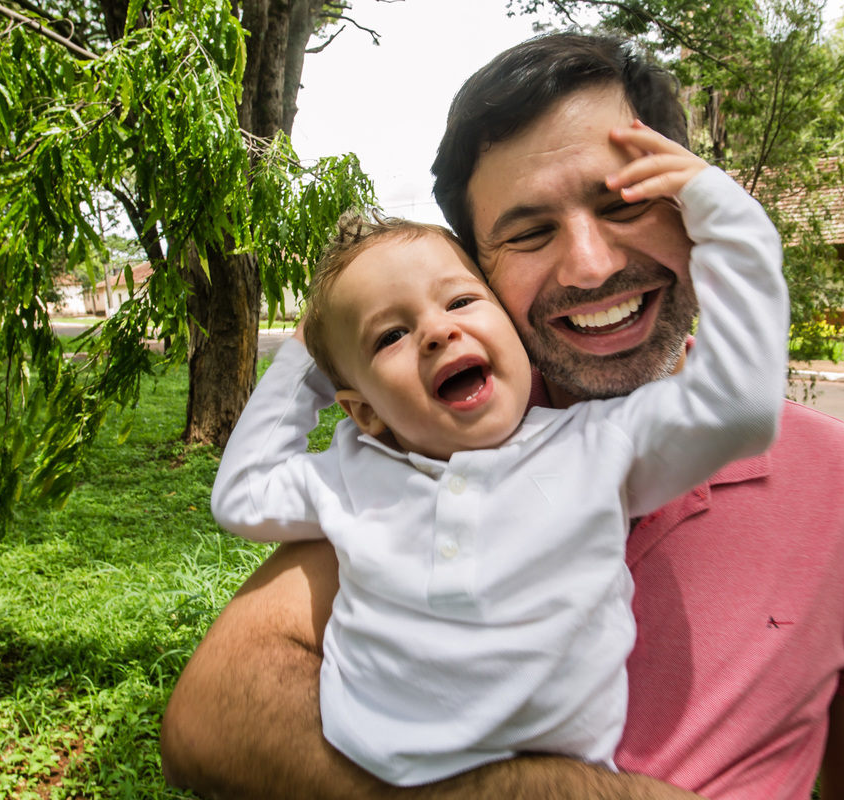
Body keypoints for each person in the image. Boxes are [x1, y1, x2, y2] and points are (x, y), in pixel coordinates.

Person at [161, 32, 844, 800]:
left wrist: (737, 226)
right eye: (529, 232)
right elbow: (211, 722)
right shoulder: (423, 456)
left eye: (627, 202)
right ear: (481, 269)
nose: (591, 265)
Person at [209, 136, 786, 786]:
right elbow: (242, 496)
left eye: (459, 302)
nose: (436, 331)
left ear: (512, 328)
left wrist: (729, 222)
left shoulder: (597, 444)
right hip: (360, 771)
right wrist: (305, 361)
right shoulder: (352, 470)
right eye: (390, 336)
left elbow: (740, 405)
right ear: (364, 410)